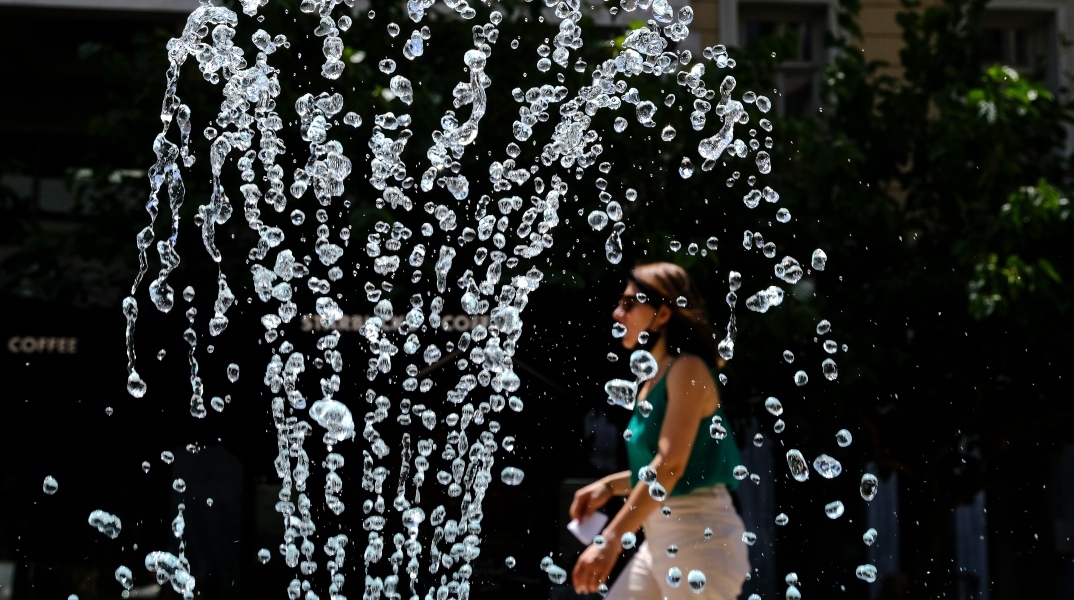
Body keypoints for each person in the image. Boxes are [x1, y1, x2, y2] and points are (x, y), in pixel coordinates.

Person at [570, 262, 750, 599]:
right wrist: (609, 486)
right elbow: (668, 469)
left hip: (701, 538)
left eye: (628, 304)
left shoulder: (687, 368)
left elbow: (669, 467)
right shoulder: (654, 378)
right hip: (659, 540)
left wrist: (609, 540)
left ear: (663, 313)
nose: (617, 313)